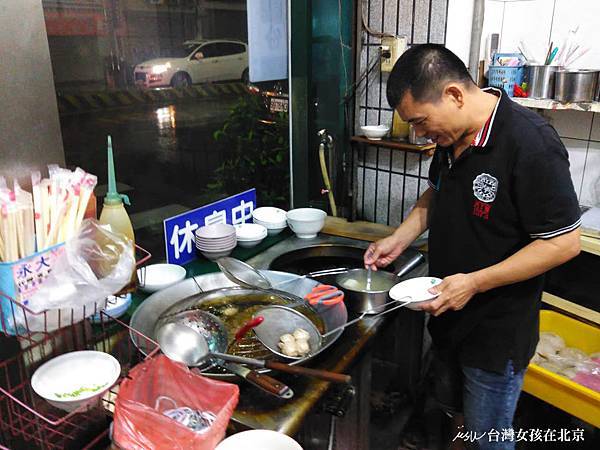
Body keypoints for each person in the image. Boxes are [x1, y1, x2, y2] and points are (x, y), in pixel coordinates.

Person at [364, 44, 581, 449]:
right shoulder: (451, 137)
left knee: (489, 436)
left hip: (496, 331)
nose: (419, 133)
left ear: (454, 95)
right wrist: (401, 236)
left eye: (420, 121)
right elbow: (435, 195)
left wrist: (475, 283)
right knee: (457, 420)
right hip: (449, 315)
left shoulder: (530, 143)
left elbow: (564, 244)